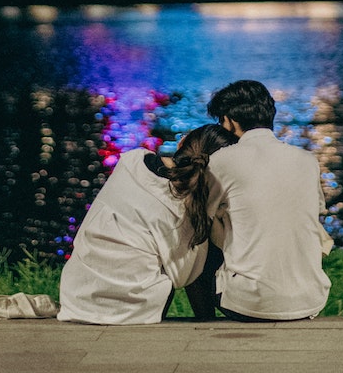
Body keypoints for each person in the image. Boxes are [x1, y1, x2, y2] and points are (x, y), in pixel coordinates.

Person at [57, 123, 237, 325]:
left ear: (182, 142)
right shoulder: (187, 208)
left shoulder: (133, 160)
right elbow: (183, 277)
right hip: (130, 310)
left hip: (77, 297)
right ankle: (206, 321)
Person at [188, 79, 331, 322]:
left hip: (246, 304)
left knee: (197, 234)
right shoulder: (307, 160)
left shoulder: (222, 160)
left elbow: (199, 215)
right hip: (309, 301)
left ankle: (204, 324)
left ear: (230, 121)